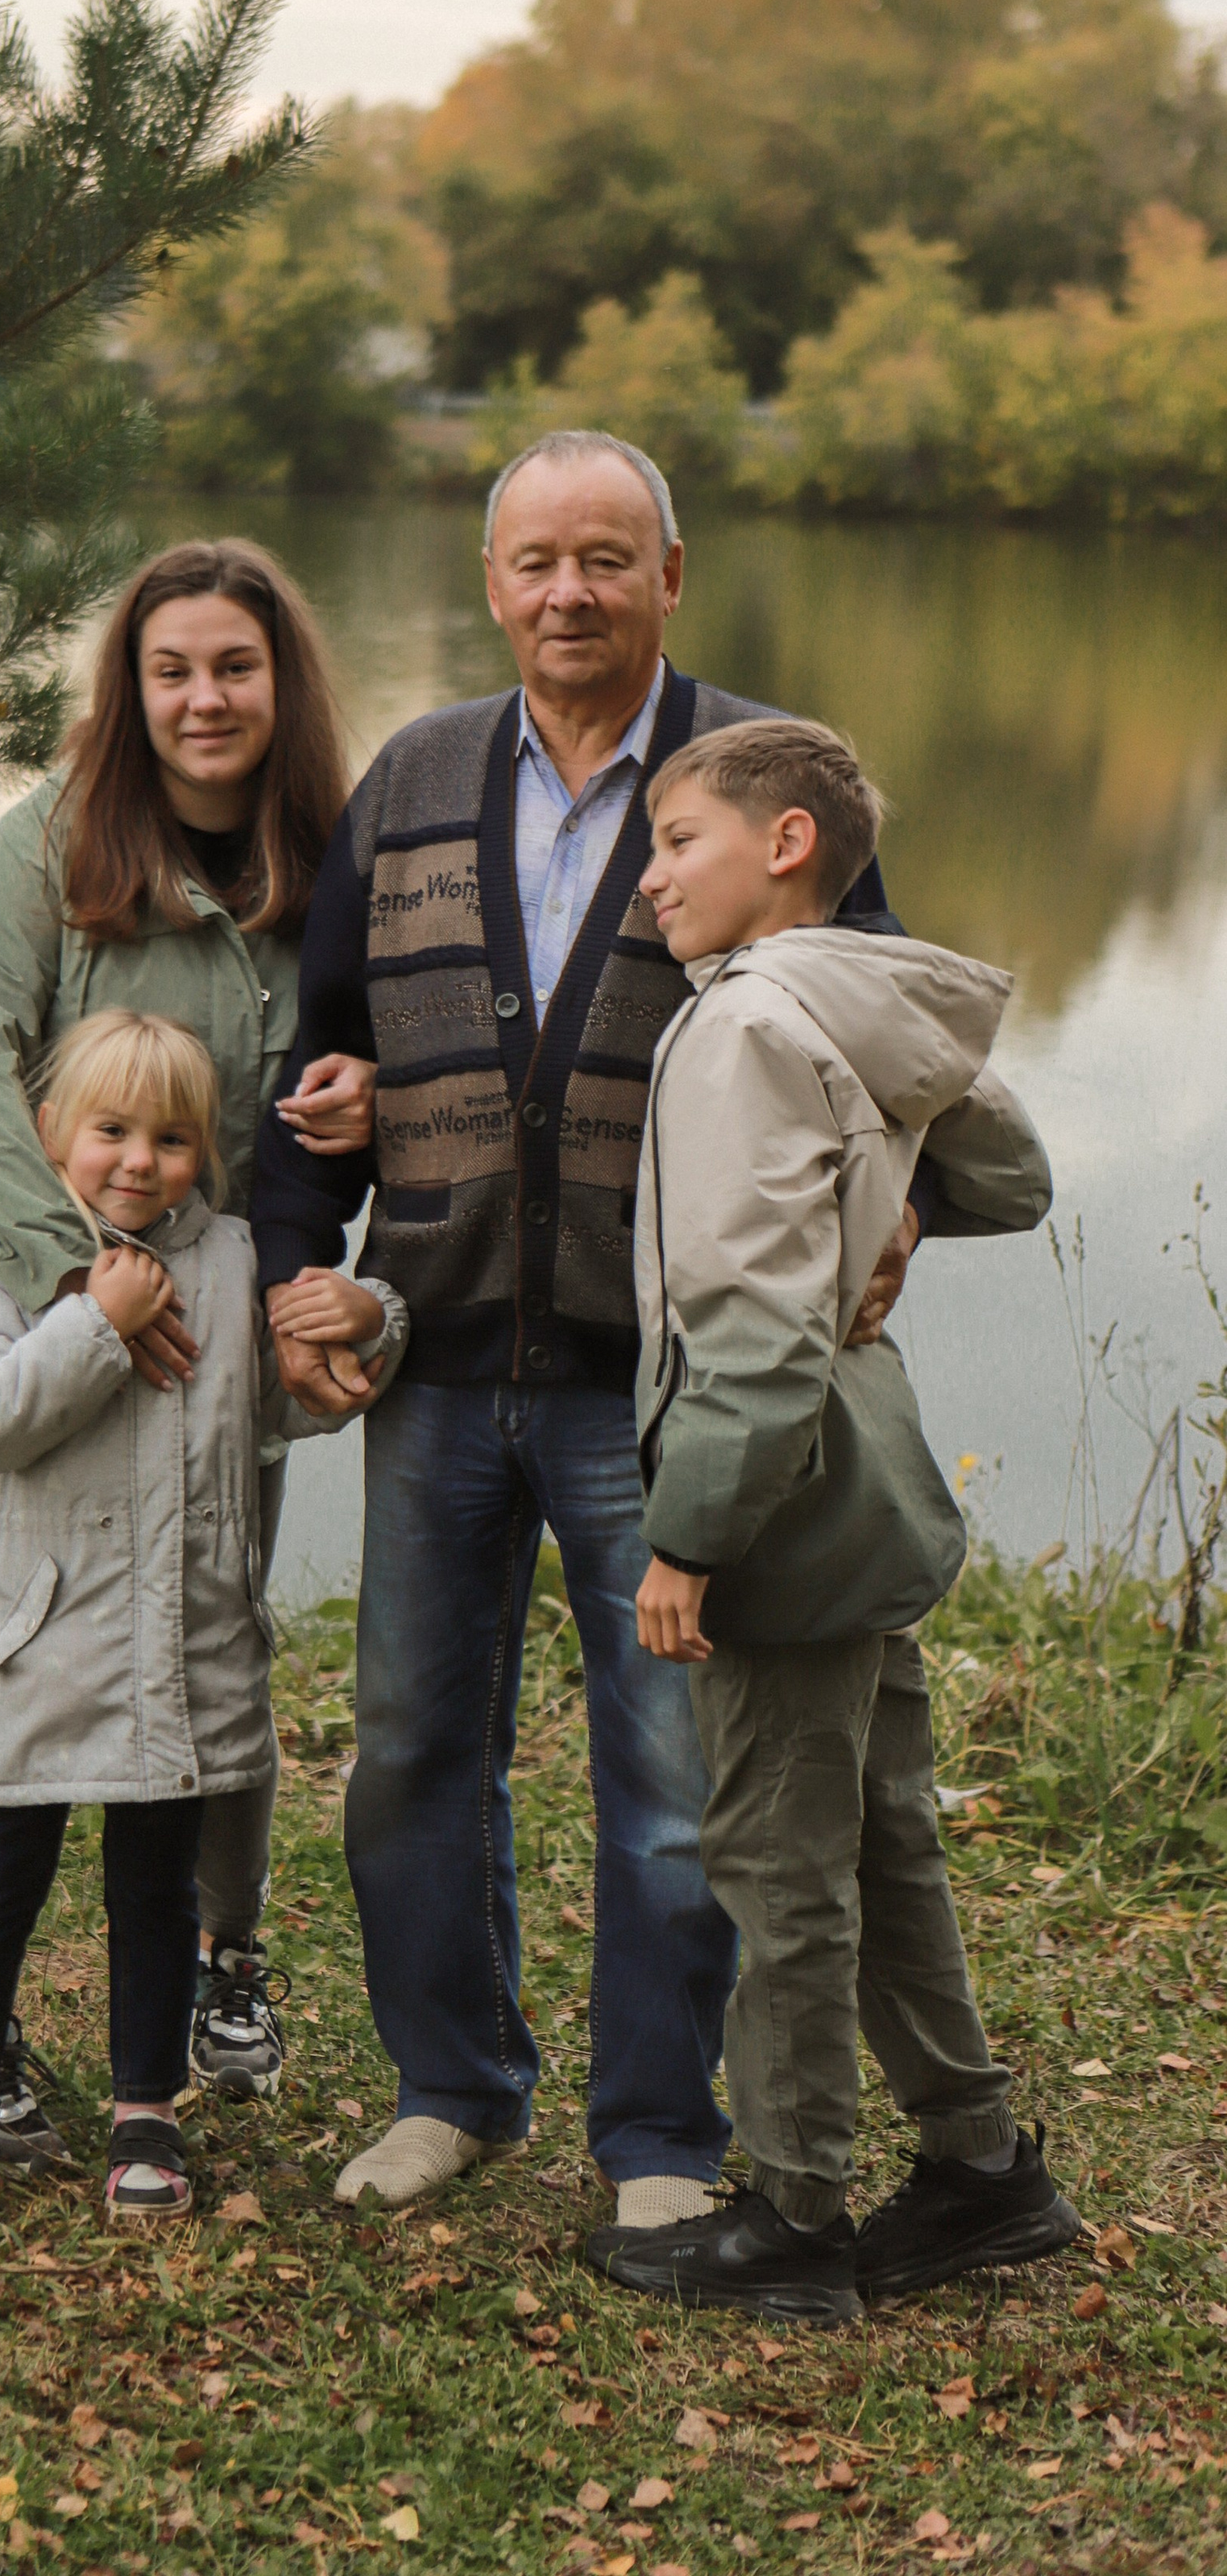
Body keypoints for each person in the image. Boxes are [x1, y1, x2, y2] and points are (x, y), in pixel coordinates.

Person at [253, 430, 929, 2227]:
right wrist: (290, 1267)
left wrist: (900, 1204)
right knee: (406, 1744)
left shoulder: (761, 782)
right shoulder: (408, 778)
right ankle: (450, 2089)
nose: (568, 591)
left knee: (663, 1775)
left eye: (605, 559)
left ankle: (652, 2136)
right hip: (436, 1353)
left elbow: (883, 1036)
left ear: (668, 576)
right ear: (490, 582)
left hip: (663, 1391)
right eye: (535, 559)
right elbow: (308, 1062)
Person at [583, 718, 1076, 2319]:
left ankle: (794, 2217)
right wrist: (897, 1197)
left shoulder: (740, 1027)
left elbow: (748, 1324)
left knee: (776, 1863)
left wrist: (687, 1536)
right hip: (867, 1483)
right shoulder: (856, 999)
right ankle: (980, 2168)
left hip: (785, 1505)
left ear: (782, 845)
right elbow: (1003, 1175)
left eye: (676, 842)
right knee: (878, 1837)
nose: (647, 875)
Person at [0, 540, 378, 2159]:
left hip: (229, 1322)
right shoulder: (44, 847)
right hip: (58, 1307)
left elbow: (368, 1068)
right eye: (171, 668)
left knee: (210, 1624)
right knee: (20, 1633)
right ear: (129, 687)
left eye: (233, 668)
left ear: (279, 684)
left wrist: (356, 1126)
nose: (202, 698)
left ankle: (217, 1955)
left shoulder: (329, 855)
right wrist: (74, 1278)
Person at [0, 1012, 404, 2230]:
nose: (138, 1161)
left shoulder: (231, 1259)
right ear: (52, 1134)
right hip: (39, 1642)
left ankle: (144, 2110)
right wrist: (93, 1321)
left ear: (204, 1152)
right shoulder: (3, 1249)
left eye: (171, 1138)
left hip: (182, 1644)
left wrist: (371, 1318)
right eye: (109, 1130)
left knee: (156, 1895)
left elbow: (294, 1403)